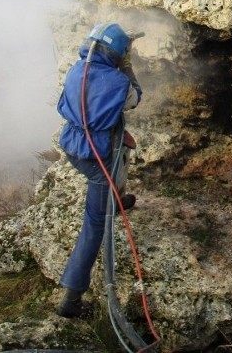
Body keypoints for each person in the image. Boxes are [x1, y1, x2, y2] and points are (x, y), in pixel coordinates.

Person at [55, 22, 143, 318]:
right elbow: (135, 98)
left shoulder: (76, 70)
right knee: (94, 225)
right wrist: (128, 67)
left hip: (73, 146)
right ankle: (71, 298)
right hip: (96, 157)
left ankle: (114, 201)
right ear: (118, 54)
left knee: (121, 154)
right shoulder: (118, 83)